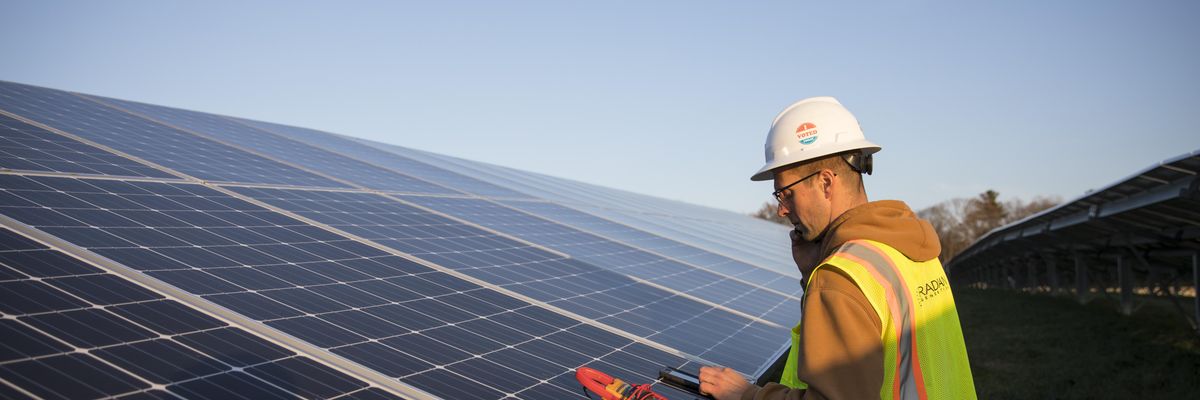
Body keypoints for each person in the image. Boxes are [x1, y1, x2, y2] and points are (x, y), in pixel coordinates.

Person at [699, 97, 975, 400]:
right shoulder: (910, 250)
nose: (781, 209)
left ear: (826, 183)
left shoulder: (841, 278)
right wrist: (813, 275)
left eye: (786, 194)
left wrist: (748, 395)